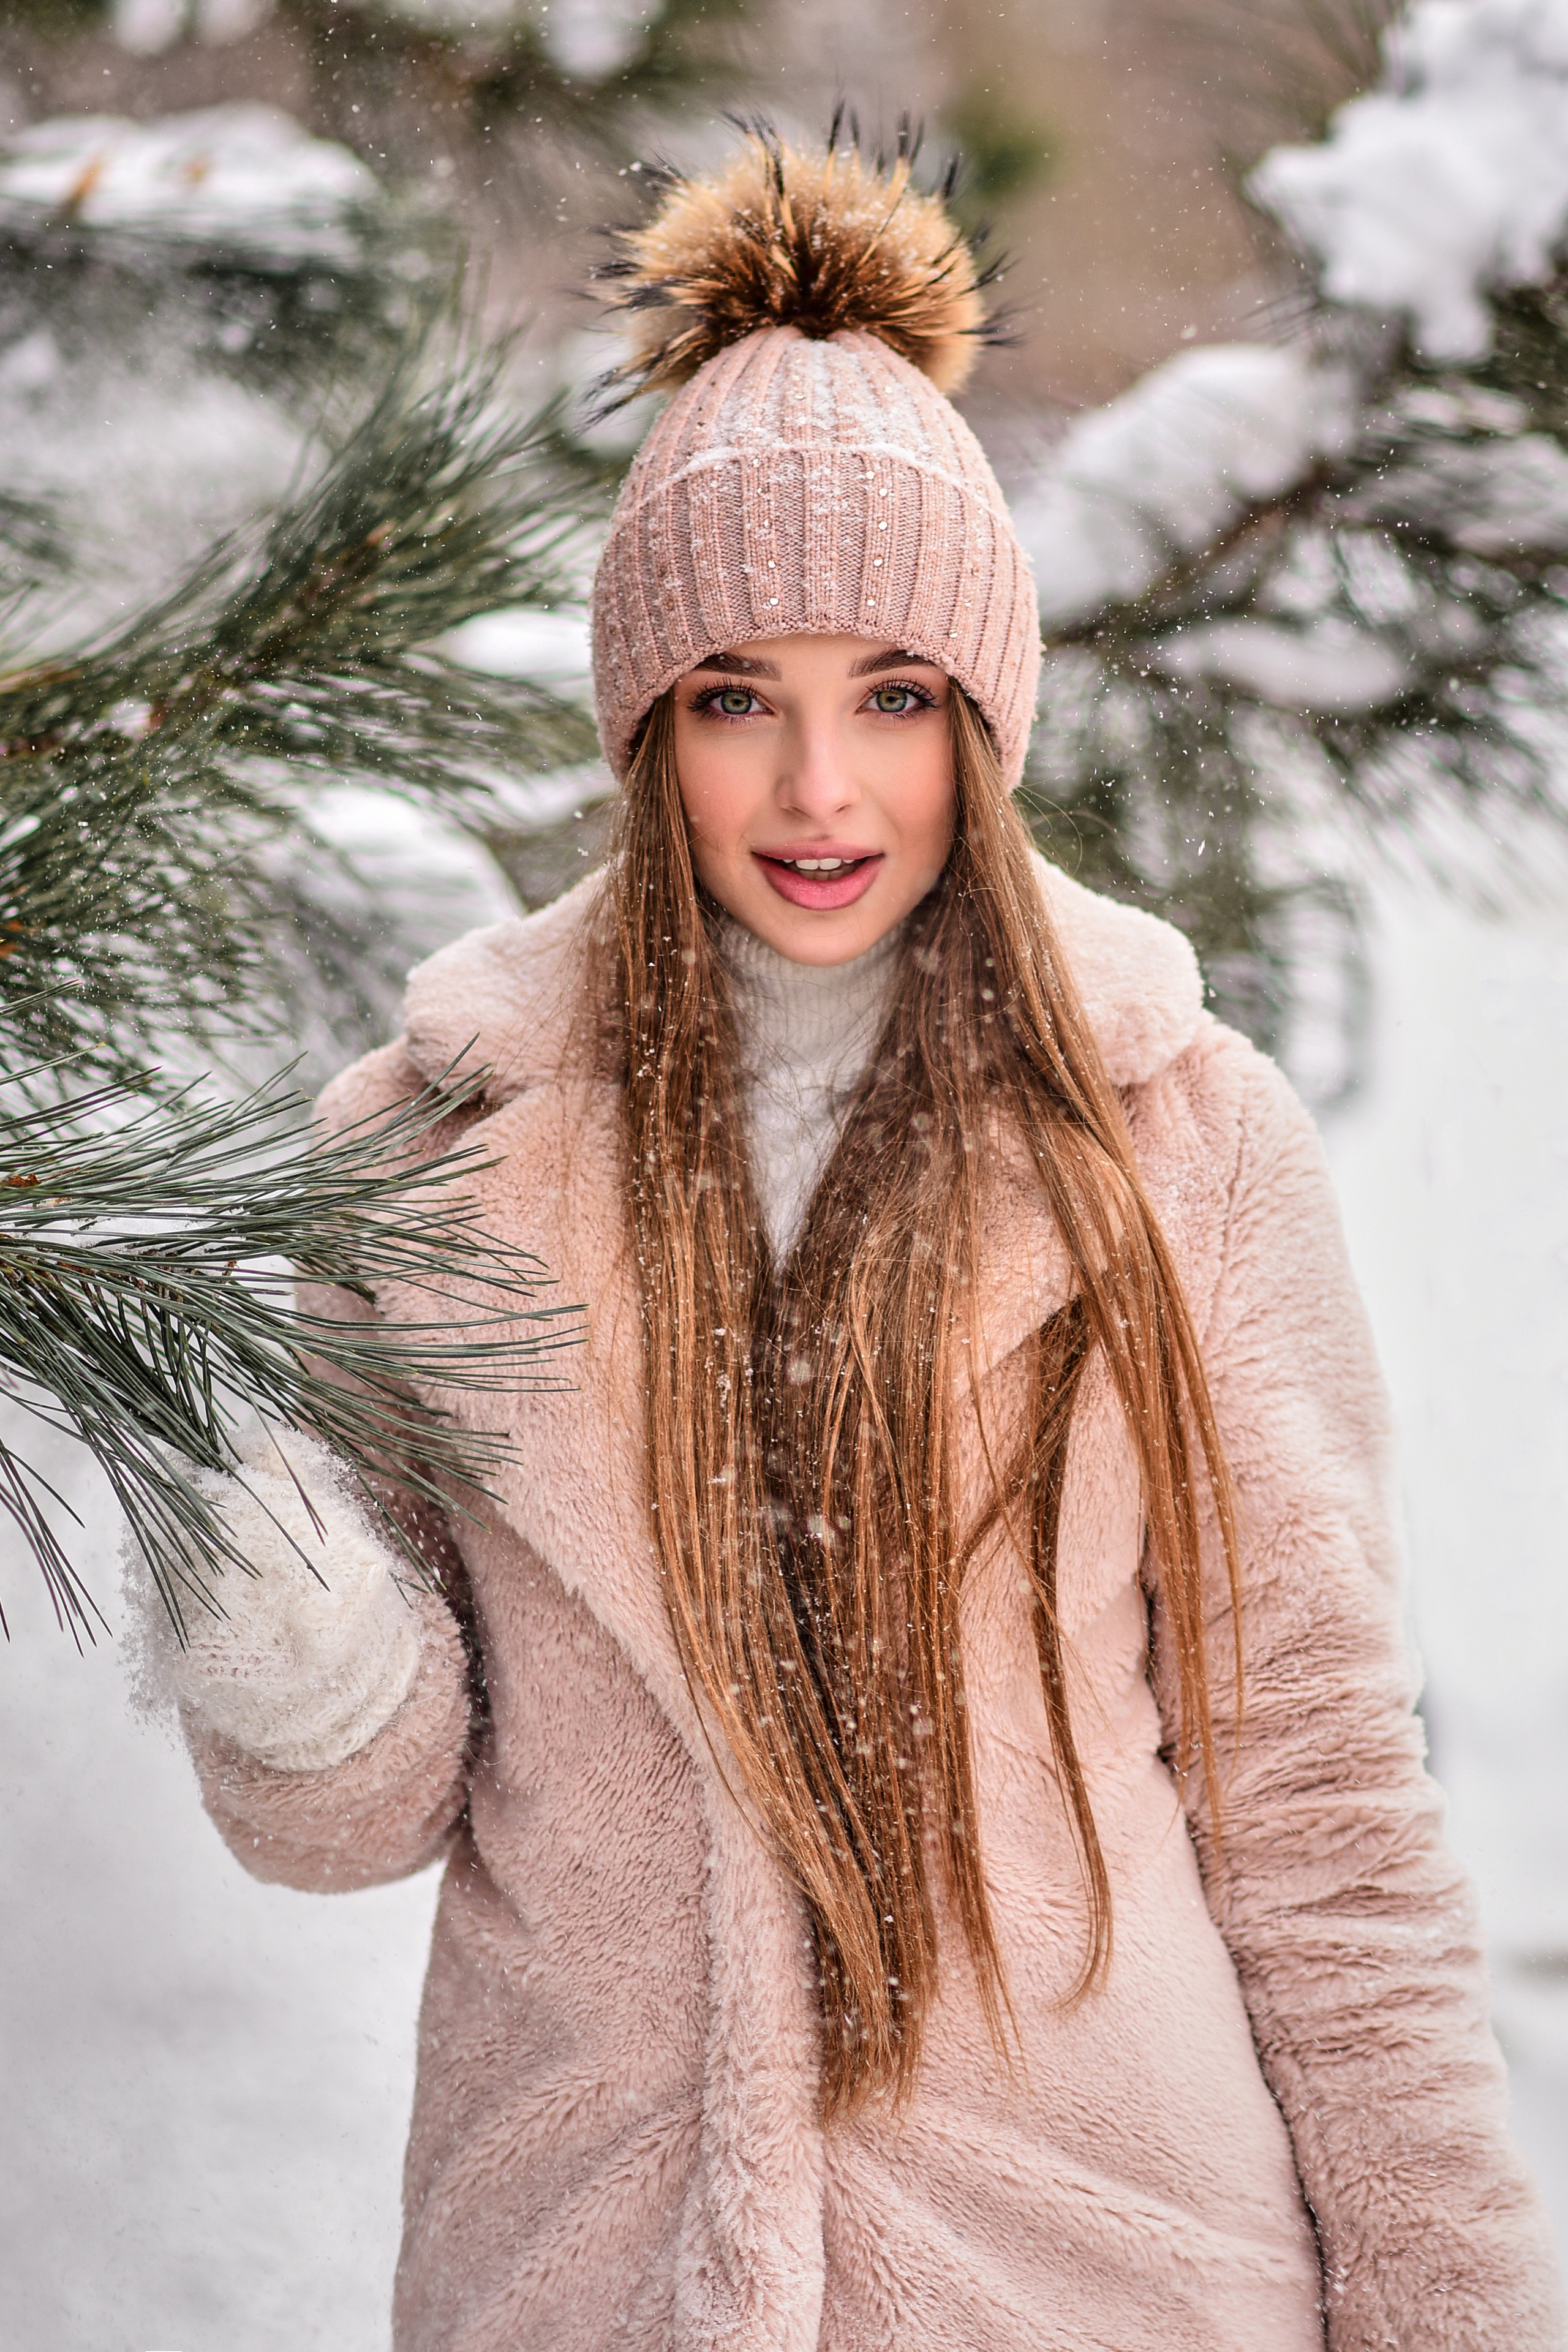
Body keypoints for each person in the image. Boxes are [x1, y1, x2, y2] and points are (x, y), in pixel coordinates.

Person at [137, 132, 1566, 2351]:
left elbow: (1319, 1808)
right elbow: (357, 1824)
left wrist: (1453, 2305)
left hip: (1105, 2273)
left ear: (984, 721)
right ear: (649, 725)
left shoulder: (1179, 1142)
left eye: (894, 693)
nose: (821, 789)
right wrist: (298, 1641)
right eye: (740, 696)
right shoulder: (425, 1156)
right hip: (591, 2272)